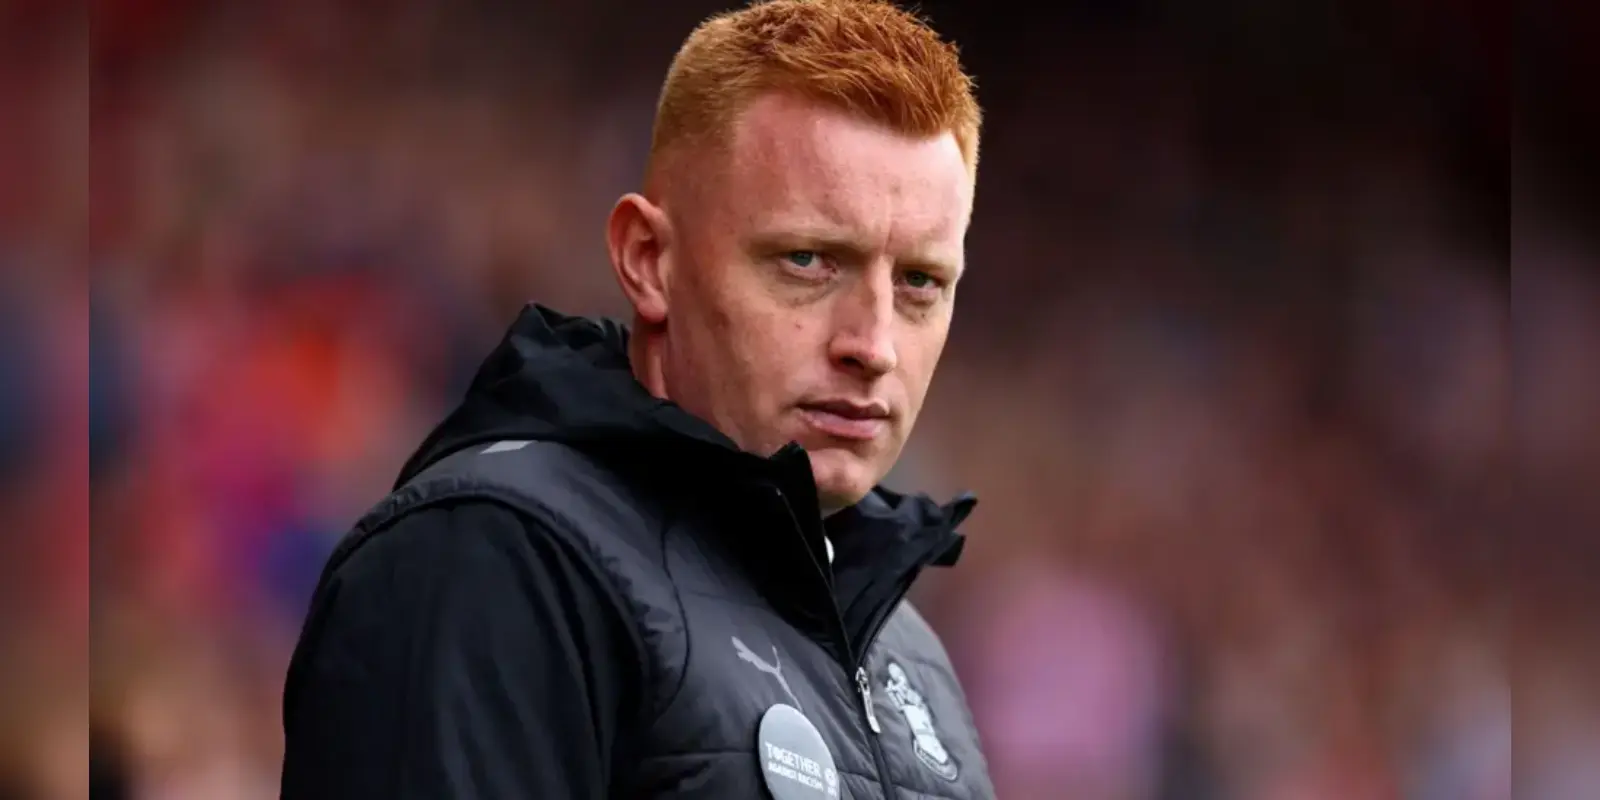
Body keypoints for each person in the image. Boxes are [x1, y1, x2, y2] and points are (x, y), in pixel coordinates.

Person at [278, 0, 991, 796]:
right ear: (649, 260)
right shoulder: (495, 560)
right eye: (806, 260)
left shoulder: (909, 657)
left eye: (920, 281)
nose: (875, 344)